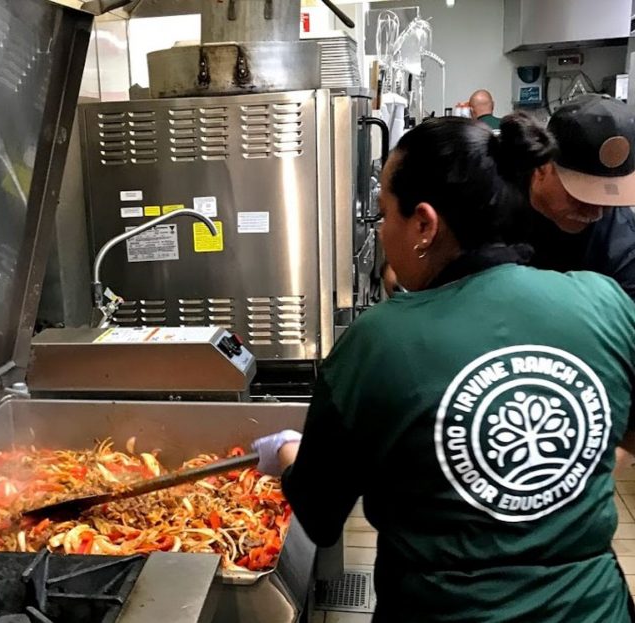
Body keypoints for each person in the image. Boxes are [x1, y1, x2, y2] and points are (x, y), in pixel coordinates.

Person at [253, 117, 635, 621]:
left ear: (424, 224)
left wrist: (288, 452)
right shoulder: (604, 300)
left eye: (384, 213)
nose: (382, 230)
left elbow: (321, 519)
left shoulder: (378, 341)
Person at [499, 95, 635, 299]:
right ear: (542, 166)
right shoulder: (496, 201)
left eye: (608, 202)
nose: (596, 213)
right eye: (582, 196)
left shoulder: (621, 236)